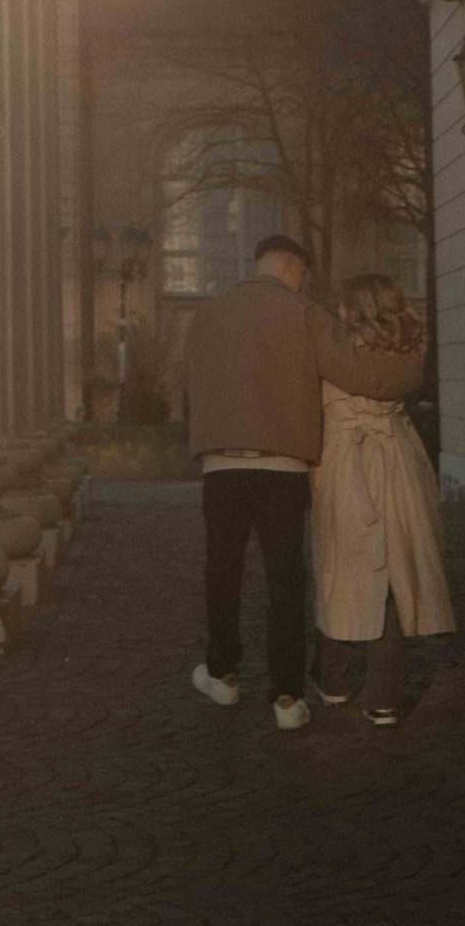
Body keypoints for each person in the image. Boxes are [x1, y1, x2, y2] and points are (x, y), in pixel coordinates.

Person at [179, 234, 424, 732]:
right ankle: (287, 697)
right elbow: (361, 376)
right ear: (296, 269)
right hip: (285, 467)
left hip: (222, 466)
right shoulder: (305, 314)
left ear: (259, 263)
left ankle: (223, 673)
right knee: (286, 578)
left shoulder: (205, 315)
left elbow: (184, 387)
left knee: (222, 571)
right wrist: (409, 363)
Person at [312, 272, 454, 726]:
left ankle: (333, 680)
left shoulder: (333, 356)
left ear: (351, 310)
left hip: (344, 465)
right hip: (398, 462)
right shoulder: (408, 355)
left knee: (338, 569)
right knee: (393, 573)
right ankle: (385, 697)